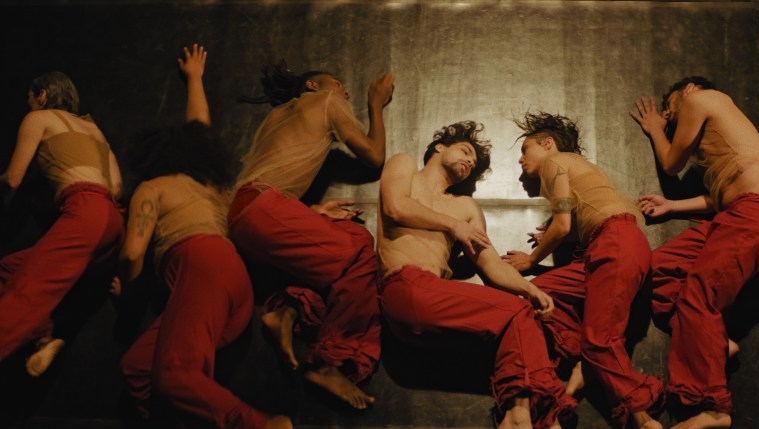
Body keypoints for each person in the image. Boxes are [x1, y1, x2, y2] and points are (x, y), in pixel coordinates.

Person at [115, 44, 292, 429]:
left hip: (200, 269)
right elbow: (200, 129)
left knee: (175, 374)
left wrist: (127, 294)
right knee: (138, 367)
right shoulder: (210, 186)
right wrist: (195, 79)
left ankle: (261, 425)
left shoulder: (153, 187)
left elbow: (131, 255)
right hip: (235, 289)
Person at [378, 121, 575, 429]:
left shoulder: (466, 208)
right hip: (402, 287)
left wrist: (529, 289)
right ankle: (536, 414)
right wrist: (453, 226)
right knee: (517, 314)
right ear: (440, 147)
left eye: (473, 163)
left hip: (431, 304)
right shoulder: (404, 166)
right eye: (465, 151)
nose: (470, 161)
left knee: (521, 314)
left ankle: (522, 415)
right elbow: (395, 207)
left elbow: (490, 264)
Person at [229, 60, 393, 409]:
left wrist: (311, 212)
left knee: (349, 239)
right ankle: (328, 362)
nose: (344, 91)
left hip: (245, 213)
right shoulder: (325, 101)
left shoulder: (275, 118)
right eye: (336, 82)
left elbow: (270, 174)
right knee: (359, 255)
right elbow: (374, 157)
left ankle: (287, 311)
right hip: (265, 207)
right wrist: (375, 103)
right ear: (312, 86)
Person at [629, 76, 759, 429]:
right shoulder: (724, 131)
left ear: (687, 90)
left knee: (699, 295)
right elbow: (722, 195)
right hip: (734, 213)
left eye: (669, 108)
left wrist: (656, 130)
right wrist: (672, 205)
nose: (669, 116)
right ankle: (714, 343)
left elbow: (671, 164)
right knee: (660, 267)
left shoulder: (701, 99)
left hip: (757, 213)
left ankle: (712, 408)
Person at [503, 112, 662, 429]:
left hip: (615, 242)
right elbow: (579, 223)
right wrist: (554, 236)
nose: (521, 160)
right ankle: (585, 364)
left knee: (601, 341)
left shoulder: (555, 162)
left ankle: (644, 417)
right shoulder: (578, 168)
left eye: (524, 149)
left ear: (547, 144)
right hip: (607, 246)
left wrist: (532, 259)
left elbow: (562, 224)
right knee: (540, 293)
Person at [0, 69, 124, 375]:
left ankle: (32, 332)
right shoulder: (95, 130)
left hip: (85, 212)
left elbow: (13, 178)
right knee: (11, 270)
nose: (29, 105)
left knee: (24, 293)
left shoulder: (39, 118)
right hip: (113, 222)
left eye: (30, 99)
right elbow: (117, 187)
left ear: (42, 95)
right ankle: (44, 336)